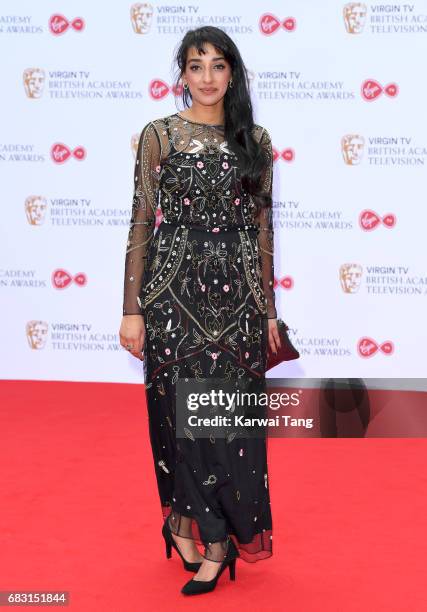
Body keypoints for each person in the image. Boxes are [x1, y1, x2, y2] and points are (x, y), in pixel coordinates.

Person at [119, 26, 281, 596]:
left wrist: (268, 314)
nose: (207, 77)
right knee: (177, 422)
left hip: (237, 299)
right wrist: (131, 309)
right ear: (182, 74)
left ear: (232, 72)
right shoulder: (159, 136)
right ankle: (189, 524)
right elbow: (141, 222)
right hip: (172, 294)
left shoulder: (254, 140)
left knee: (225, 422)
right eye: (195, 66)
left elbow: (263, 232)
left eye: (217, 65)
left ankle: (217, 541)